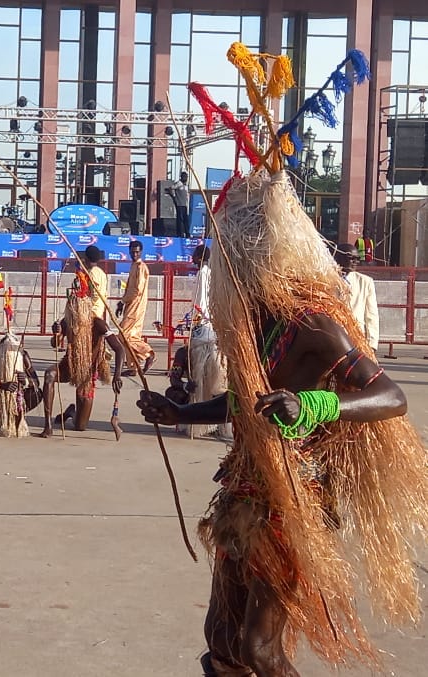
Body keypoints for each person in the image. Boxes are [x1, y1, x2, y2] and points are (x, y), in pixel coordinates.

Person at [137, 170, 428, 676]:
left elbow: (391, 396)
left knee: (260, 648)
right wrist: (181, 412)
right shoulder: (252, 324)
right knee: (222, 641)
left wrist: (312, 405)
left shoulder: (314, 322)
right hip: (244, 490)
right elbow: (250, 403)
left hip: (295, 497)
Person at [40, 276, 124, 437]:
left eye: (78, 309)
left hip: (87, 374)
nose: (75, 313)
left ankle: (71, 412)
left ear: (86, 308)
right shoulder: (67, 321)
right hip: (69, 366)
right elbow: (55, 344)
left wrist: (117, 376)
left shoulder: (98, 324)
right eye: (73, 309)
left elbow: (119, 349)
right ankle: (48, 425)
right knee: (50, 374)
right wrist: (56, 333)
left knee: (80, 426)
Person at [186, 244, 229, 439]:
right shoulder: (211, 274)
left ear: (199, 256)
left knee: (201, 378)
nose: (192, 258)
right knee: (211, 379)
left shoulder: (204, 274)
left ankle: (203, 423)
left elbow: (201, 304)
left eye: (195, 255)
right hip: (210, 329)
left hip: (204, 329)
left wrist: (197, 321)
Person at [0, 332, 43, 436]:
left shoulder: (23, 356)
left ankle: (17, 417)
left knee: (36, 393)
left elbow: (36, 383)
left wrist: (26, 380)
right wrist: (1, 385)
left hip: (19, 396)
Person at [116, 240, 155, 376]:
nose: (134, 254)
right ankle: (133, 366)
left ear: (141, 252)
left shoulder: (141, 267)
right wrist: (122, 303)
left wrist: (123, 301)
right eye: (132, 251)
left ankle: (148, 353)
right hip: (130, 304)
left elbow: (137, 290)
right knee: (130, 335)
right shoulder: (133, 266)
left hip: (136, 306)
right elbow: (129, 288)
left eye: (137, 251)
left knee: (124, 334)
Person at [333, 242, 379, 352]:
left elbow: (372, 316)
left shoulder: (365, 282)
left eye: (357, 258)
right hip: (333, 339)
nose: (355, 262)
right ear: (338, 257)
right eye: (351, 258)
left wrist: (372, 345)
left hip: (356, 341)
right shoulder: (325, 280)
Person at [166, 171, 191, 238]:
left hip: (184, 204)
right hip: (179, 204)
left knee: (186, 219)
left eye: (186, 177)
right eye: (184, 177)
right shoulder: (179, 183)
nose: (185, 178)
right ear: (181, 177)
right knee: (180, 219)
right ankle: (180, 233)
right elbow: (171, 188)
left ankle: (187, 233)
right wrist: (174, 197)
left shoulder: (186, 185)